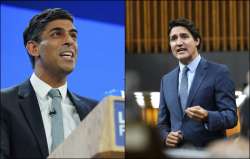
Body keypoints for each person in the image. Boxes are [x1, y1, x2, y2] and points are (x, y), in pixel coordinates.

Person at [0, 8, 98, 158]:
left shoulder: (95, 111)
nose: (69, 41)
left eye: (73, 36)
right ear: (34, 48)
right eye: (57, 34)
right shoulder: (5, 103)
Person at [157, 18, 238, 148]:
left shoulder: (219, 72)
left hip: (209, 153)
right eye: (173, 38)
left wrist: (207, 116)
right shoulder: (166, 80)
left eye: (184, 36)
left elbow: (231, 117)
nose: (179, 42)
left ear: (196, 40)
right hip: (176, 154)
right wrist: (166, 136)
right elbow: (162, 124)